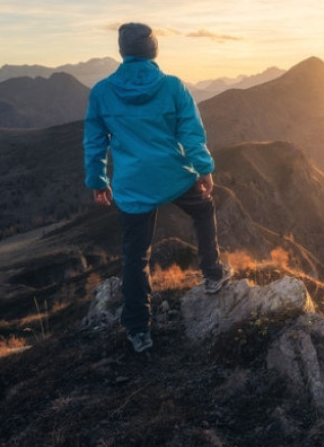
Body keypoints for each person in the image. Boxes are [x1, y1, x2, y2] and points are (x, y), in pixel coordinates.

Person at [83, 22, 232, 353]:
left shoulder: (102, 92)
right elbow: (190, 133)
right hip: (174, 175)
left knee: (136, 256)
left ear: (123, 51)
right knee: (204, 209)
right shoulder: (173, 87)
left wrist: (97, 181)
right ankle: (212, 274)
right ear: (154, 51)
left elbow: (94, 142)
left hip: (132, 185)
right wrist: (204, 168)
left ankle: (139, 331)